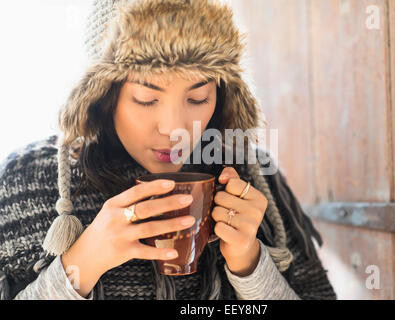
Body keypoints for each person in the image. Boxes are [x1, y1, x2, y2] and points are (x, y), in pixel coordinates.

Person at [0, 0, 336, 300]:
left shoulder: (251, 175)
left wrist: (250, 264)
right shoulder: (27, 180)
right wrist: (81, 265)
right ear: (103, 94)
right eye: (147, 99)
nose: (176, 129)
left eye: (197, 98)